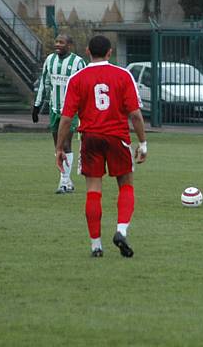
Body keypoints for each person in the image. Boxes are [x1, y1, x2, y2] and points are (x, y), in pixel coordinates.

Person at [56, 35, 147, 258]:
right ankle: (121, 231)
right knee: (126, 185)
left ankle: (96, 245)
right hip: (117, 137)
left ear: (87, 51)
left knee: (93, 190)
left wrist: (59, 148)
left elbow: (66, 118)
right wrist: (143, 143)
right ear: (110, 52)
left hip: (90, 139)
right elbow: (135, 114)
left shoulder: (77, 78)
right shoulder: (123, 75)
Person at [32, 34, 86, 194]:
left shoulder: (78, 62)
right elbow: (45, 83)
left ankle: (64, 181)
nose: (57, 45)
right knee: (57, 146)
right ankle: (66, 180)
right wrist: (37, 106)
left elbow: (85, 86)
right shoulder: (50, 60)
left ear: (69, 45)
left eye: (61, 42)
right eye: (56, 42)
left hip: (71, 112)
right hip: (54, 109)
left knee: (66, 144)